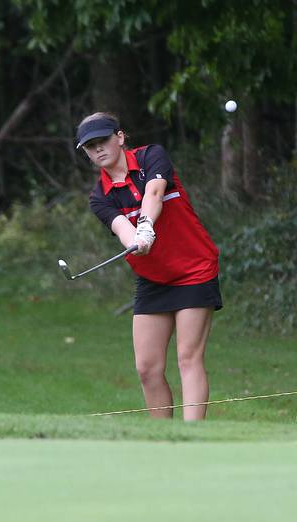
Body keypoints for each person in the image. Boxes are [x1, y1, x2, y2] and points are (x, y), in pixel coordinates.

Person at [76, 112, 222, 421]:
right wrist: (137, 241)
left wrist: (145, 226)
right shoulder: (99, 196)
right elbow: (121, 230)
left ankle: (191, 438)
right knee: (147, 368)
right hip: (153, 278)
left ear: (120, 137)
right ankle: (163, 440)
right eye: (90, 146)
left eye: (103, 141)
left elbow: (155, 193)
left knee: (187, 357)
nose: (98, 149)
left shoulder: (150, 157)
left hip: (194, 267)